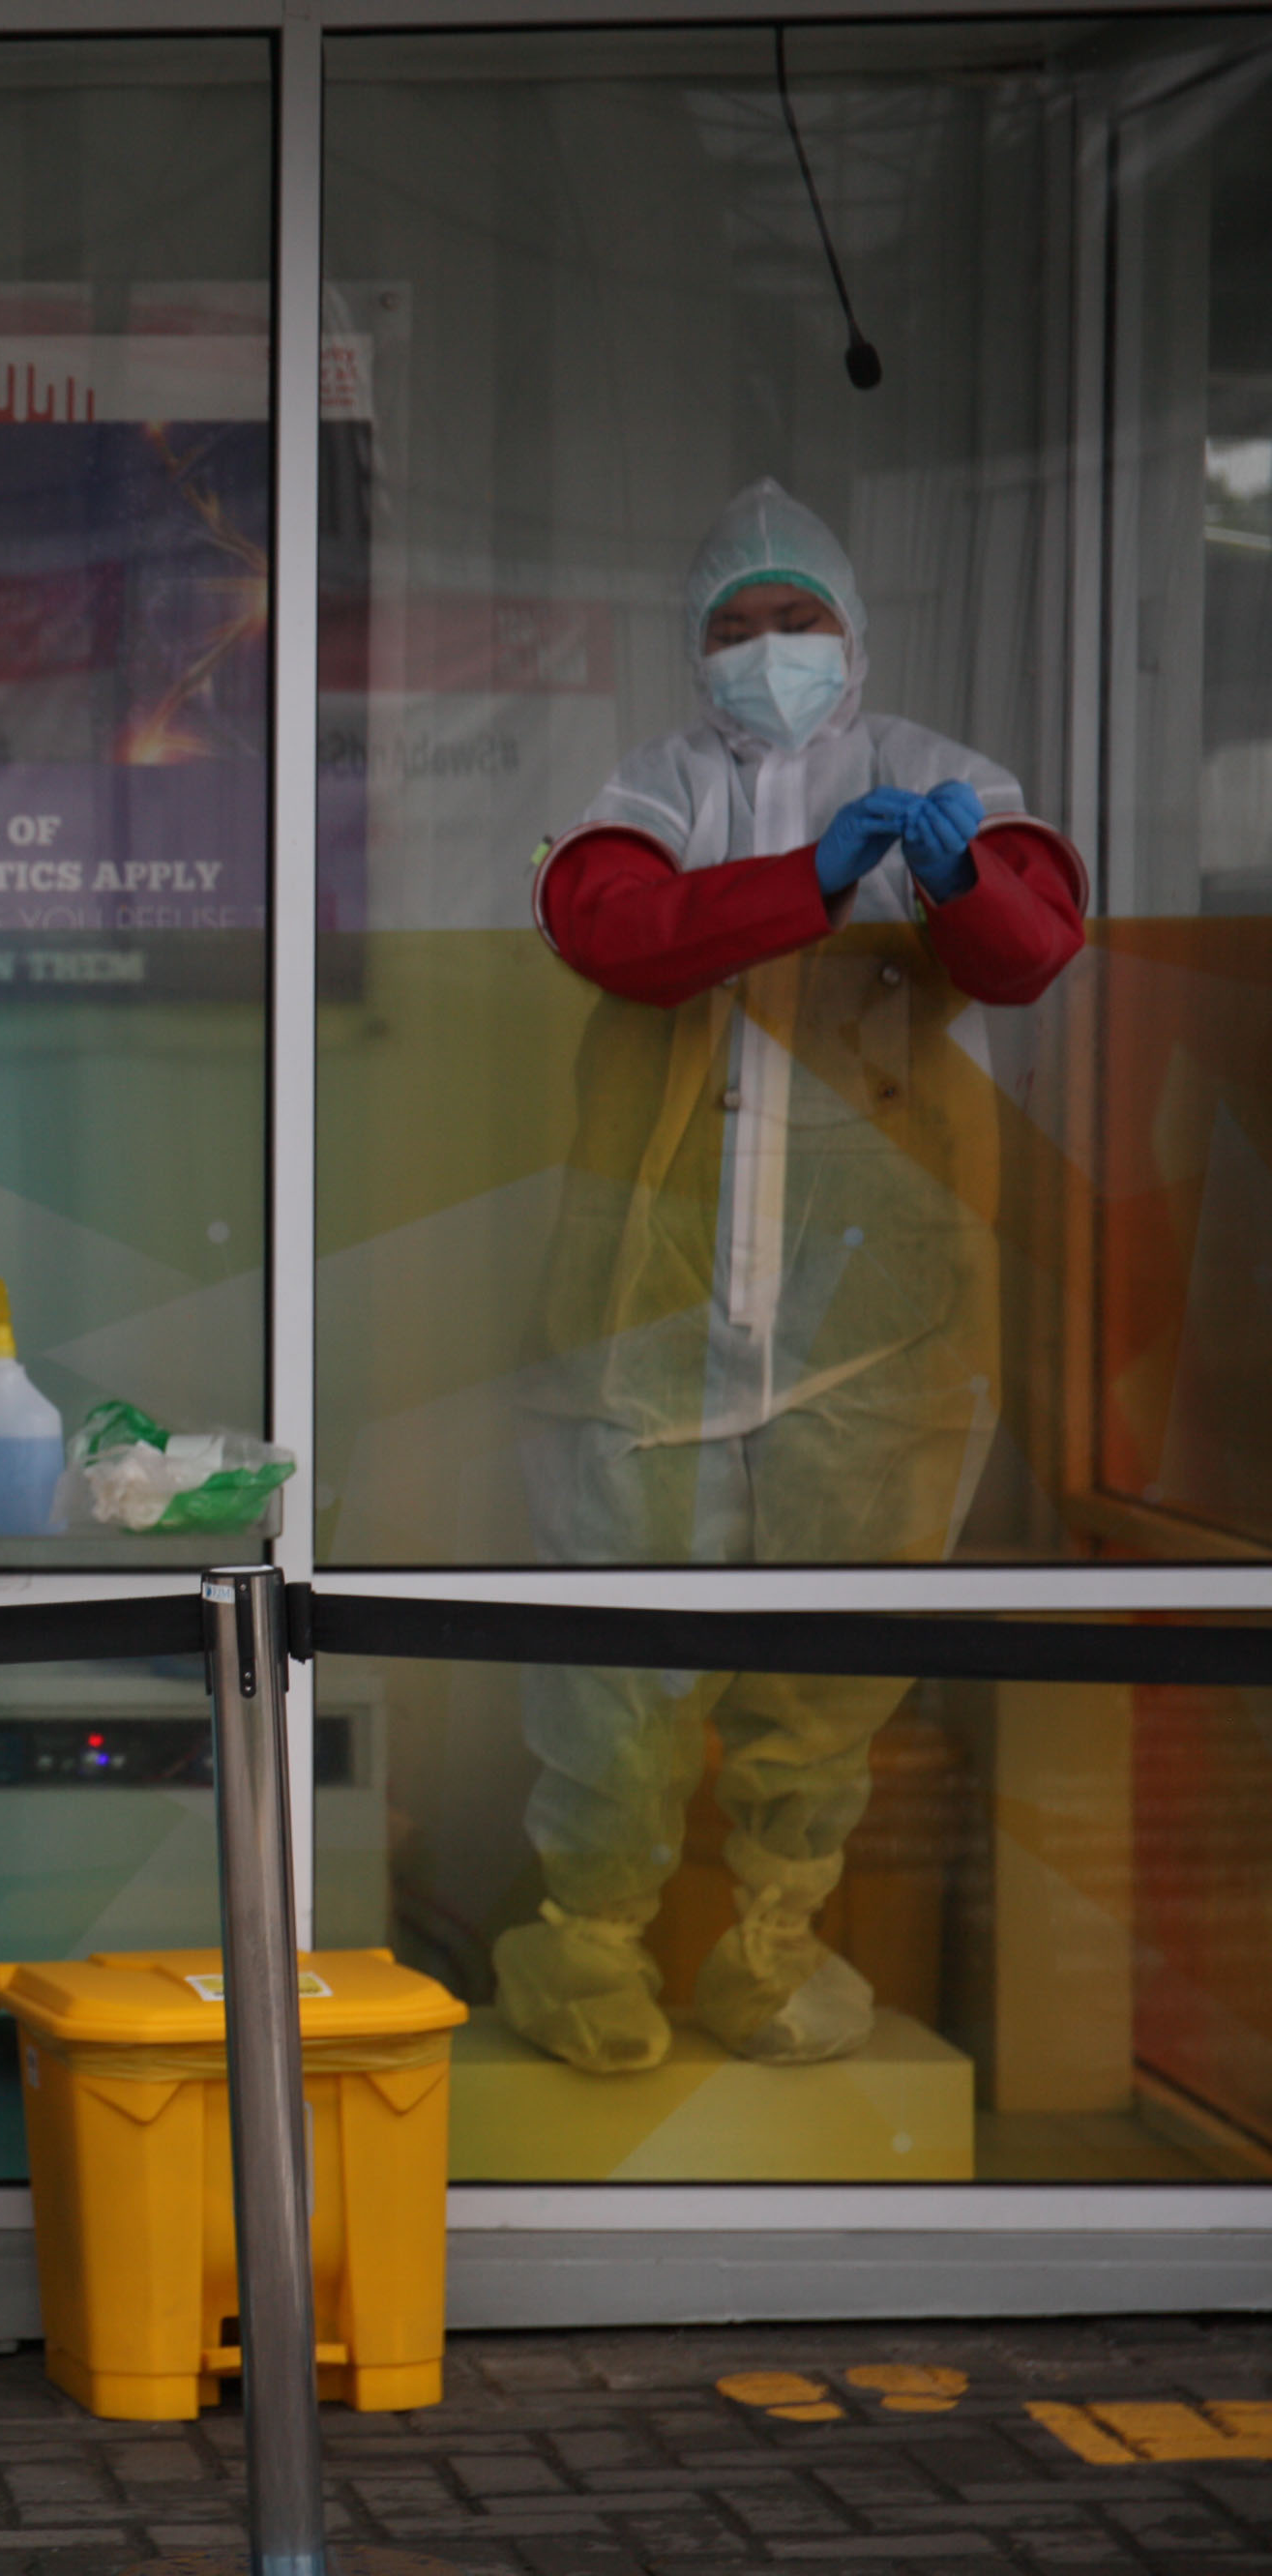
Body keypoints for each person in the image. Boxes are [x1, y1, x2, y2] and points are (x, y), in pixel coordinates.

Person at [511, 478, 1087, 2076]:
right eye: (738, 627)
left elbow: (1032, 952)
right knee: (617, 1673)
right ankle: (588, 1954)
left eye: (800, 620)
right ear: (696, 655)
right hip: (657, 1318)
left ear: (855, 634)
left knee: (831, 1666)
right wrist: (807, 884)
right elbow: (607, 925)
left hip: (870, 1330)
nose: (773, 652)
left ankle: (773, 1952)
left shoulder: (937, 778)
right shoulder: (655, 783)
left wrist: (957, 874)